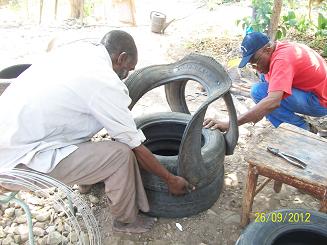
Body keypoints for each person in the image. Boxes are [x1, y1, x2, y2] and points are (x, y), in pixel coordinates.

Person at [0, 30, 193, 233]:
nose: (126, 75)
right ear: (122, 57)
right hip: (15, 164)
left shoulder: (81, 50)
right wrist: (170, 179)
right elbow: (134, 144)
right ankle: (126, 221)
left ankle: (85, 179)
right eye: (128, 69)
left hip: (10, 139)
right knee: (120, 155)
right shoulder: (103, 82)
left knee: (83, 118)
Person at [203, 31, 327, 132]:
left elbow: (273, 101)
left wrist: (231, 123)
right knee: (264, 79)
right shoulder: (277, 49)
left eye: (256, 61)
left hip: (320, 102)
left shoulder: (282, 60)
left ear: (267, 49)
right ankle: (297, 125)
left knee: (259, 92)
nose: (255, 67)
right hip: (314, 91)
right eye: (251, 64)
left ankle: (302, 130)